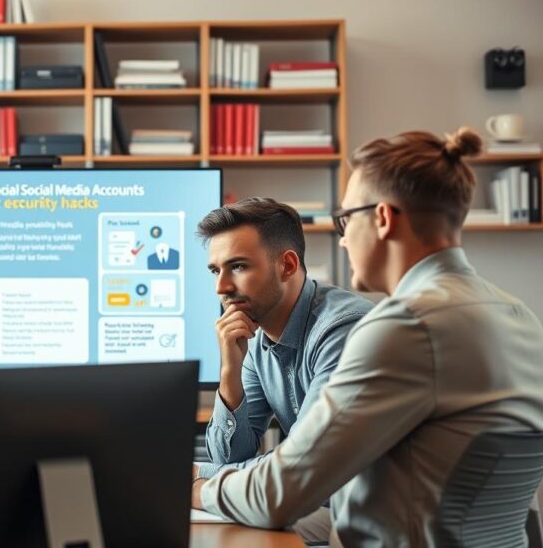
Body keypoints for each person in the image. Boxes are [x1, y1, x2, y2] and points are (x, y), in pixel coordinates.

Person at [195, 128, 543, 546]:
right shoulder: (519, 315)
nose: (342, 240)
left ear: (382, 218)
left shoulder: (405, 327)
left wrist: (194, 485)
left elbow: (279, 492)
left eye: (345, 220)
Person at [194, 198, 372, 542]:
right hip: (315, 502)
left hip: (360, 509)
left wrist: (201, 478)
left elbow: (298, 467)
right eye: (216, 271)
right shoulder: (256, 336)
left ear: (287, 265)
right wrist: (230, 371)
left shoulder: (343, 329)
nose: (221, 287)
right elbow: (231, 457)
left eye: (238, 267)